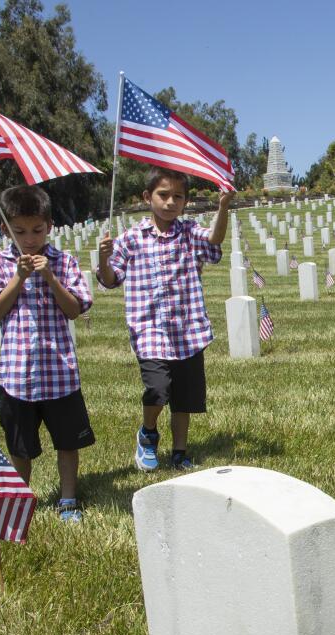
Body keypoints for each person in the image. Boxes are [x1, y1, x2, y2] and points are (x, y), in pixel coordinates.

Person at [97, 168, 234, 471]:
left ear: (185, 202)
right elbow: (109, 280)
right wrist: (103, 258)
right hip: (149, 330)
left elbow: (213, 240)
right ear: (148, 197)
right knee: (158, 389)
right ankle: (148, 433)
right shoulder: (131, 239)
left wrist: (223, 207)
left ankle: (179, 452)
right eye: (163, 195)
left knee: (184, 399)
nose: (171, 202)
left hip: (187, 330)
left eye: (178, 196)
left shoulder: (188, 232)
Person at [0, 185, 95, 522]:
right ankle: (21, 500)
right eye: (19, 231)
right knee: (21, 447)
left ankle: (69, 499)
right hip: (17, 375)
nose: (29, 239)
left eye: (37, 230)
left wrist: (48, 274)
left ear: (49, 227)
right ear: (6, 229)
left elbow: (74, 309)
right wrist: (18, 277)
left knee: (67, 442)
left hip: (59, 372)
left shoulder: (64, 262)